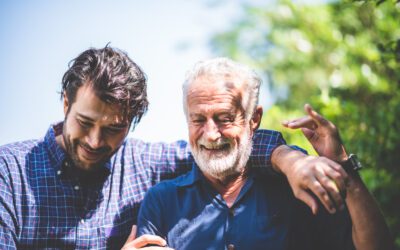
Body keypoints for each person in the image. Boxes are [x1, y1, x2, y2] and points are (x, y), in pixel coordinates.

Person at [0, 46, 347, 249]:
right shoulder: (9, 174)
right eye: (85, 123)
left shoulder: (144, 164)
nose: (95, 141)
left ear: (132, 123)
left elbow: (226, 146)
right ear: (65, 104)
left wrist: (289, 160)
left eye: (113, 129)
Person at [135, 58, 393, 250]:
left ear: (254, 118)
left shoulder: (297, 187)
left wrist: (343, 166)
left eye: (224, 119)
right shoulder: (162, 201)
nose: (211, 134)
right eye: (198, 120)